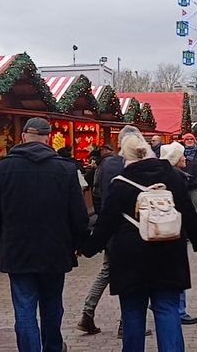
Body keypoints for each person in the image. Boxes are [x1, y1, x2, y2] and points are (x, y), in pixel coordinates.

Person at [81, 133, 197, 351]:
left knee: (133, 316)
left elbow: (106, 224)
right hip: (169, 255)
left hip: (130, 260)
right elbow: (188, 213)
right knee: (168, 311)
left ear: (126, 156)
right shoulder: (173, 177)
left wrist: (87, 248)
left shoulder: (120, 183)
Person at [0, 117, 89, 352]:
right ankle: (53, 346)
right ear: (49, 138)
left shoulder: (3, 167)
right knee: (52, 304)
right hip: (55, 249)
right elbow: (78, 213)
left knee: (24, 309)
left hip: (17, 250)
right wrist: (81, 242)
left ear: (23, 137)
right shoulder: (65, 168)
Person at [78, 126, 147, 337]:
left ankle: (88, 312)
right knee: (131, 276)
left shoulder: (106, 165)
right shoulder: (135, 166)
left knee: (108, 270)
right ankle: (125, 323)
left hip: (110, 227)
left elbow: (98, 193)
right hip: (131, 230)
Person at [160, 142, 197, 325]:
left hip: (166, 231)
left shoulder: (170, 175)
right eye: (182, 155)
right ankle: (179, 310)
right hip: (174, 231)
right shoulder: (176, 178)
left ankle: (177, 308)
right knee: (177, 270)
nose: (185, 158)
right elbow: (186, 211)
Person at [182, 133, 197, 215]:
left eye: (191, 139)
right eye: (187, 139)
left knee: (196, 211)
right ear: (184, 141)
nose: (189, 141)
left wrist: (195, 183)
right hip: (182, 186)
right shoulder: (180, 153)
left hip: (194, 187)